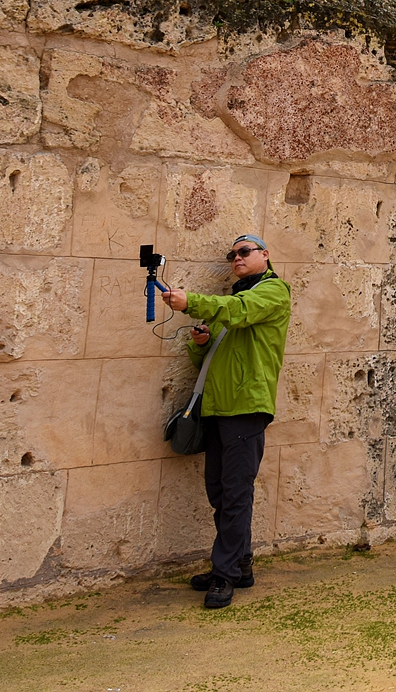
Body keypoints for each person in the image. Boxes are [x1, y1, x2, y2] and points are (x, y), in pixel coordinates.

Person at [164, 233, 292, 609]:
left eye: (244, 251)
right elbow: (207, 365)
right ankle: (240, 562)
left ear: (265, 255)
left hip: (246, 407)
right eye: (232, 254)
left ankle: (224, 576)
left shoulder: (272, 292)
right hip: (219, 408)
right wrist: (199, 344)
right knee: (220, 492)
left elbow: (239, 313)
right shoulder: (235, 301)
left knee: (236, 493)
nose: (236, 257)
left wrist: (192, 303)